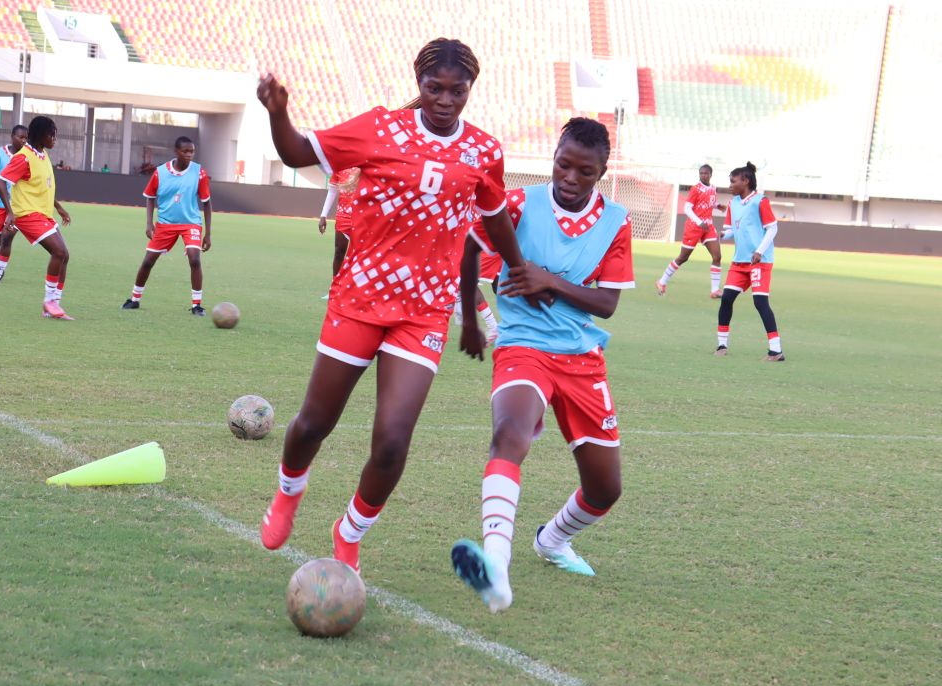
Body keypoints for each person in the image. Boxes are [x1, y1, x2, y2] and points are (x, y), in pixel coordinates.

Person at [256, 38, 538, 574]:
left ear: (470, 90)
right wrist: (279, 112)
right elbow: (296, 153)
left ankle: (350, 532)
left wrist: (517, 264)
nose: (446, 99)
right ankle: (289, 492)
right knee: (314, 424)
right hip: (360, 297)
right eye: (435, 88)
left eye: (459, 90)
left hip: (424, 312)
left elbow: (496, 213)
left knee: (391, 442)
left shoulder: (483, 151)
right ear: (419, 83)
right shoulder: (380, 128)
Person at [451, 117, 634, 613]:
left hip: (582, 359)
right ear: (553, 157)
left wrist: (548, 281)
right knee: (509, 432)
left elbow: (607, 303)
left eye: (584, 172)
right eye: (563, 165)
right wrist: (470, 318)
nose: (570, 178)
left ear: (602, 172)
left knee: (605, 488)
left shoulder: (616, 221)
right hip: (522, 345)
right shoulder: (519, 204)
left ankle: (551, 541)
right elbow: (470, 246)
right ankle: (496, 565)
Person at [0, 116, 74, 319]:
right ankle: (48, 302)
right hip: (27, 215)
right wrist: (10, 212)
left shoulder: (42, 154)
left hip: (43, 214)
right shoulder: (23, 157)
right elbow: (2, 181)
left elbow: (43, 186)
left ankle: (54, 305)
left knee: (65, 256)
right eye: (51, 135)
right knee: (59, 251)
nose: (54, 139)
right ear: (40, 135)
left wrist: (59, 208)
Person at [122, 136, 212, 315]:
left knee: (194, 259)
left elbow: (207, 203)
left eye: (192, 151)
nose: (189, 155)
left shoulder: (199, 172)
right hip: (165, 224)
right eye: (185, 151)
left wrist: (208, 234)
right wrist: (149, 223)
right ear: (176, 152)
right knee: (148, 261)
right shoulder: (160, 172)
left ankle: (196, 305)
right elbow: (150, 197)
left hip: (191, 222)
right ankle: (134, 299)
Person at [715, 162, 784, 361]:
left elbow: (772, 228)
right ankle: (721, 345)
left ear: (745, 181)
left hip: (758, 262)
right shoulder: (733, 203)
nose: (730, 185)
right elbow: (731, 230)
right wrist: (721, 234)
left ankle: (776, 350)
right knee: (726, 299)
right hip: (739, 262)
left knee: (760, 302)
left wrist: (760, 251)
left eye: (733, 181)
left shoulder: (760, 201)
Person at [656, 163, 725, 298]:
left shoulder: (713, 188)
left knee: (717, 256)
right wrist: (699, 222)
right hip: (694, 227)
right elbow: (687, 208)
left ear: (711, 174)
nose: (703, 175)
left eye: (706, 173)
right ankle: (662, 281)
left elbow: (708, 202)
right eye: (701, 173)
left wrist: (717, 206)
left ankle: (715, 290)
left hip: (708, 227)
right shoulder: (695, 189)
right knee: (683, 257)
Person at [0, 125, 28, 282]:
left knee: (6, 237)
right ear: (12, 136)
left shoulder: (28, 156)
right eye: (20, 137)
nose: (24, 141)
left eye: (26, 138)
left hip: (17, 206)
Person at [318, 167, 360, 278]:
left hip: (362, 216)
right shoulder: (340, 165)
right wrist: (323, 215)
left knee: (359, 255)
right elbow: (332, 190)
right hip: (343, 215)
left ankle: (354, 288)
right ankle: (335, 288)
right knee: (339, 251)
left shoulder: (365, 164)